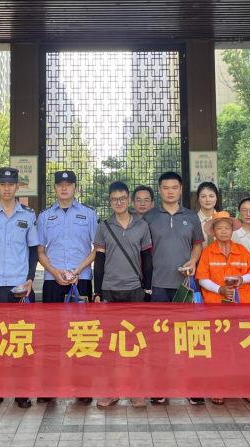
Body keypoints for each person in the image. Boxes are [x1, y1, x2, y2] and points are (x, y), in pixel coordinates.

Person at [0, 168, 40, 411]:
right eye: (2, 184)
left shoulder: (28, 216)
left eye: (10, 184)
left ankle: (22, 393)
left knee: (21, 340)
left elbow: (33, 250)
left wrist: (30, 279)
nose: (6, 188)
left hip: (19, 288)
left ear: (17, 187)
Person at [142, 172, 204, 406]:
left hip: (184, 287)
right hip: (157, 286)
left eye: (174, 187)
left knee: (187, 338)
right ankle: (159, 387)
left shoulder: (191, 217)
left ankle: (192, 387)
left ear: (181, 189)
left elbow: (197, 245)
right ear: (159, 190)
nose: (170, 191)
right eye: (166, 187)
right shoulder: (149, 217)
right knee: (159, 340)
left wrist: (193, 260)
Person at [36, 170, 97, 405]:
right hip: (53, 281)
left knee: (81, 333)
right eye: (60, 184)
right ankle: (49, 386)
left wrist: (78, 270)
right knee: (52, 334)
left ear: (75, 187)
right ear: (54, 188)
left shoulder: (89, 214)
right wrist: (54, 272)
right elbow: (40, 251)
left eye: (68, 184)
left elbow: (96, 248)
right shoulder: (45, 216)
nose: (64, 188)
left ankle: (82, 386)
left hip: (81, 281)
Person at [94, 181, 153, 408]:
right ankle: (111, 391)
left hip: (134, 289)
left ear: (129, 200)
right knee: (109, 344)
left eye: (122, 198)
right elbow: (99, 261)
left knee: (135, 343)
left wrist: (147, 289)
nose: (118, 202)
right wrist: (97, 291)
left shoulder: (141, 225)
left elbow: (147, 260)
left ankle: (135, 390)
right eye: (114, 199)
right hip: (109, 289)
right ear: (110, 202)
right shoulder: (104, 226)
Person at [195, 211, 250, 406]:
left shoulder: (242, 251)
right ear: (213, 232)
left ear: (232, 230)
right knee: (219, 349)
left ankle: (248, 388)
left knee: (244, 348)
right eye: (219, 228)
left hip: (242, 308)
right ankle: (218, 388)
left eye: (227, 228)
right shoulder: (207, 252)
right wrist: (220, 289)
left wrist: (241, 279)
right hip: (216, 308)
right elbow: (202, 278)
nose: (224, 231)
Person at [194, 182, 221, 249]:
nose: (208, 200)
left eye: (211, 196)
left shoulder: (223, 220)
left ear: (216, 198)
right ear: (198, 198)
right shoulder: (192, 221)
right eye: (203, 196)